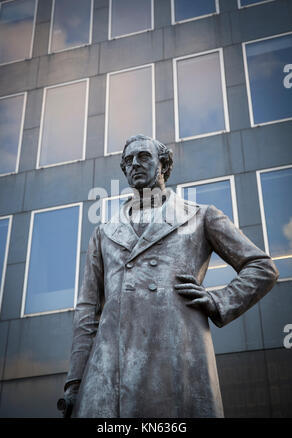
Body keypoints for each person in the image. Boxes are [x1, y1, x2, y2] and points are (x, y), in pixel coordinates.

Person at [62, 134, 278, 418]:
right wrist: (75, 381)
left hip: (176, 358)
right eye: (128, 161)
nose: (134, 164)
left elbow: (261, 267)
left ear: (163, 164)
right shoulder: (104, 231)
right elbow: (88, 310)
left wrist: (218, 300)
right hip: (107, 368)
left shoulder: (200, 217)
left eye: (143, 157)